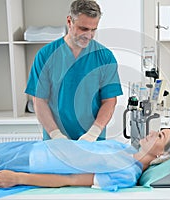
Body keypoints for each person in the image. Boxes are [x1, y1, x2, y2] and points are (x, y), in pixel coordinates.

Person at [0, 129, 170, 198]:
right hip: (28, 147)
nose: (153, 132)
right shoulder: (123, 149)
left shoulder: (126, 173)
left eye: (159, 137)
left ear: (162, 156)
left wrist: (18, 178)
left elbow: (69, 180)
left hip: (27, 163)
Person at [25, 0, 123, 141]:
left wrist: (93, 133)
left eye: (93, 29)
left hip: (93, 142)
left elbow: (109, 101)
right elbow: (39, 100)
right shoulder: (46, 55)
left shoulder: (105, 57)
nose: (89, 35)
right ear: (69, 21)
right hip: (55, 142)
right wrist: (55, 134)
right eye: (83, 29)